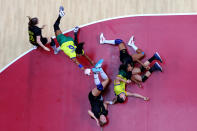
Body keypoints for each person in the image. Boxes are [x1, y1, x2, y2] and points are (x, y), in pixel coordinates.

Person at [53, 6, 94, 71]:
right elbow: (77, 62)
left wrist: (91, 61)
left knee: (76, 43)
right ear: (76, 53)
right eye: (79, 55)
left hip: (70, 40)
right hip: (63, 41)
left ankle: (75, 32)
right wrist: (83, 69)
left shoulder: (80, 51)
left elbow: (85, 56)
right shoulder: (72, 54)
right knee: (55, 26)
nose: (80, 56)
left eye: (80, 55)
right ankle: (60, 15)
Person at [88, 59, 111, 127]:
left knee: (100, 88)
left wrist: (96, 119)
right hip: (99, 96)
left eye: (103, 119)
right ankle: (99, 68)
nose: (104, 118)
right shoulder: (105, 112)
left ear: (100, 119)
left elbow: (88, 111)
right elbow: (105, 103)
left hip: (92, 97)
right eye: (106, 119)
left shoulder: (95, 115)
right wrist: (112, 102)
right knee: (107, 80)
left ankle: (95, 73)